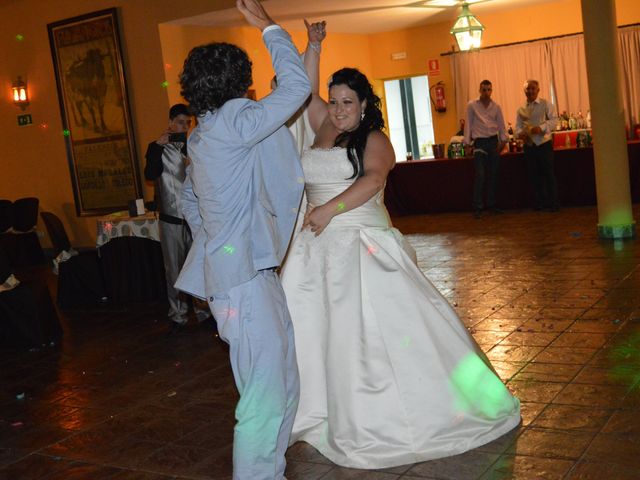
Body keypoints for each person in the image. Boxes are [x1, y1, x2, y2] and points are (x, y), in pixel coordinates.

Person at [279, 57, 521, 468]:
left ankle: (376, 416)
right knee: (312, 330)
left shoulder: (374, 139)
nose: (338, 110)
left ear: (363, 105)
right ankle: (318, 409)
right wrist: (310, 46)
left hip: (358, 242)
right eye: (334, 101)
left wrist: (328, 211)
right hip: (313, 251)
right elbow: (305, 88)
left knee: (364, 332)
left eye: (347, 103)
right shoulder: (324, 126)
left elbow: (372, 180)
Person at [174, 0, 311, 478]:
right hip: (244, 282)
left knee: (282, 384)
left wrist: (220, 239)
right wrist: (270, 28)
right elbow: (298, 87)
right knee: (265, 395)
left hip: (243, 275)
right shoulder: (235, 120)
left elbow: (189, 200)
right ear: (238, 81)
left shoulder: (203, 132)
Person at [144, 104, 211, 331]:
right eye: (181, 122)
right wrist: (157, 147)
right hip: (171, 217)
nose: (185, 126)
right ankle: (178, 314)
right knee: (173, 268)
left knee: (200, 265)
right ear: (171, 122)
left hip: (196, 218)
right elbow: (150, 175)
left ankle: (203, 310)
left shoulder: (194, 146)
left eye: (188, 123)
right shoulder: (157, 148)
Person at [464, 80, 508, 218]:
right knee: (480, 174)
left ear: (492, 90)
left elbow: (501, 125)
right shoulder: (472, 105)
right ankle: (477, 207)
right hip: (480, 142)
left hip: (493, 141)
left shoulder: (496, 107)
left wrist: (503, 140)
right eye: (484, 89)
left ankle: (492, 205)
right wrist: (467, 143)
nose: (486, 92)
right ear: (479, 90)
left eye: (489, 90)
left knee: (493, 175)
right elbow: (468, 124)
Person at [515, 79, 559, 211]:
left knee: (548, 174)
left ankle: (554, 204)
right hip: (529, 146)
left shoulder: (546, 104)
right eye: (528, 89)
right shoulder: (521, 109)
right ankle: (540, 203)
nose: (530, 91)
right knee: (534, 176)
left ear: (538, 90)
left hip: (544, 144)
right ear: (524, 91)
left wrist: (542, 128)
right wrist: (520, 134)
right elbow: (517, 128)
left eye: (533, 88)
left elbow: (555, 121)